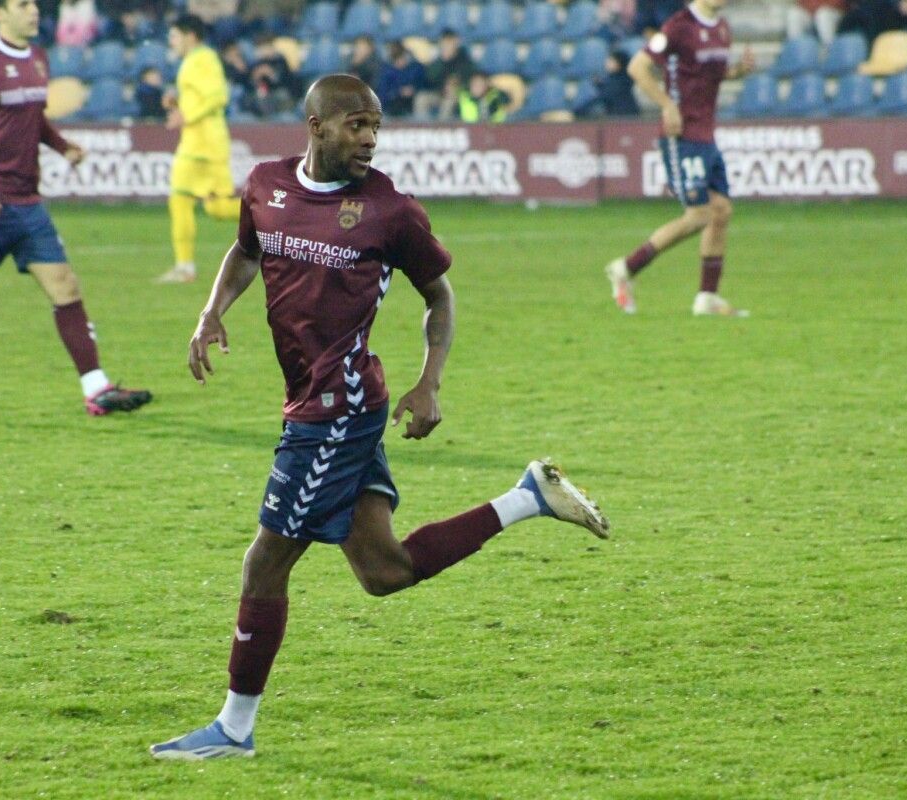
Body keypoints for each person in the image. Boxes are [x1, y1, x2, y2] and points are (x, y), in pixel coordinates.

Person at [148, 73, 610, 761]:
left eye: (376, 127)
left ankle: (235, 730)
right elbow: (247, 251)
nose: (369, 139)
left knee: (264, 565)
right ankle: (526, 499)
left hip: (337, 412)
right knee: (383, 571)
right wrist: (211, 310)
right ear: (317, 126)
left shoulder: (390, 211)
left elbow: (440, 296)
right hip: (319, 401)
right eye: (356, 125)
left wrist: (430, 383)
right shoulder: (267, 186)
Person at [0, 0, 151, 418]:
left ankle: (96, 389)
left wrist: (63, 148)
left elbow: (34, 120)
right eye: (23, 4)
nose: (35, 10)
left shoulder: (38, 59)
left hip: (28, 202)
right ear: (0, 13)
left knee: (66, 287)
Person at [605, 0, 753, 317]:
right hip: (681, 135)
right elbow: (637, 67)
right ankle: (625, 269)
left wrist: (737, 71)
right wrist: (666, 105)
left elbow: (705, 75)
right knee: (699, 214)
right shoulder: (678, 26)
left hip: (706, 134)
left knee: (721, 210)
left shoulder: (722, 28)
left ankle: (707, 298)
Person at [156, 14, 239, 284]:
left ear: (190, 35)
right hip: (200, 142)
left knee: (199, 203)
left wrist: (186, 115)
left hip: (204, 144)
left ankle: (185, 267)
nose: (172, 42)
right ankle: (184, 267)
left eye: (175, 36)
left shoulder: (203, 58)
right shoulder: (195, 60)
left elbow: (218, 96)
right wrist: (178, 105)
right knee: (210, 206)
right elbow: (202, 97)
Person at [416, 28, 475, 119]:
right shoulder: (439, 61)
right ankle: (423, 129)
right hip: (439, 93)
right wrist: (441, 62)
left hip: (458, 96)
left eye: (449, 42)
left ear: (455, 42)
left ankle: (442, 129)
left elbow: (470, 81)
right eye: (444, 43)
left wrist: (456, 87)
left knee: (448, 102)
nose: (446, 46)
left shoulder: (465, 60)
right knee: (421, 98)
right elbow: (430, 79)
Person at [376, 39, 424, 118]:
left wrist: (413, 89)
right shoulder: (386, 73)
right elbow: (382, 95)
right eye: (397, 59)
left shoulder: (415, 68)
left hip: (410, 105)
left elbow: (423, 84)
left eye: (402, 57)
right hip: (391, 108)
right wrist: (399, 92)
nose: (400, 62)